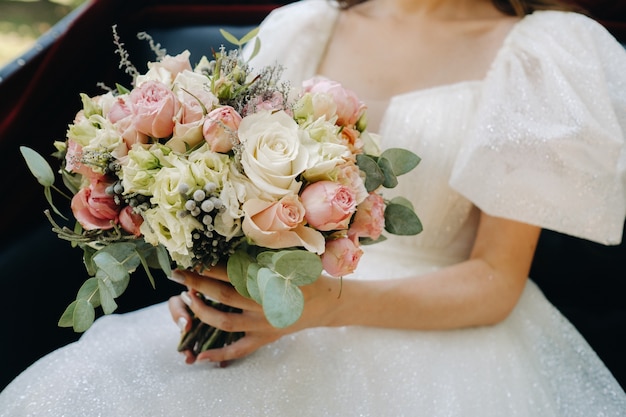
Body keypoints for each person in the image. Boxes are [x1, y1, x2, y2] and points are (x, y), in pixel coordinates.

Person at [1, 0, 626, 415]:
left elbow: (496, 280)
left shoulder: (544, 52)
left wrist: (326, 308)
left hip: (445, 334)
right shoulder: (305, 24)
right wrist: (220, 282)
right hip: (268, 315)